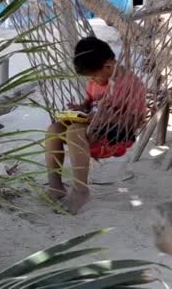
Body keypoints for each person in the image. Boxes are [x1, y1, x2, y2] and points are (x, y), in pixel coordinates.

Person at [45, 36, 146, 214]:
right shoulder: (96, 80)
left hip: (115, 135)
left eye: (95, 76)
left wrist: (107, 117)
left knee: (75, 132)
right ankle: (56, 185)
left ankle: (81, 191)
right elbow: (90, 101)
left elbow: (135, 121)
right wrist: (81, 107)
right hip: (93, 125)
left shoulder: (131, 84)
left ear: (108, 66)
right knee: (54, 129)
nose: (93, 80)